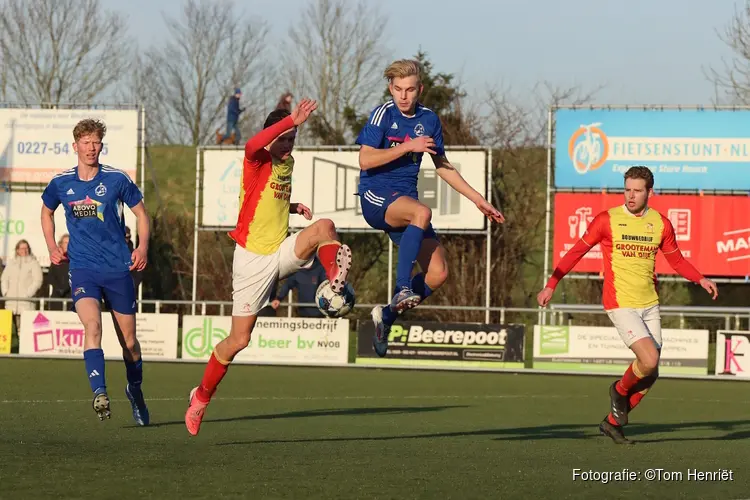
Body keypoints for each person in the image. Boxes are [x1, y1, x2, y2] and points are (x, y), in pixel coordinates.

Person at [184, 98, 354, 436]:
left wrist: (292, 207)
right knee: (239, 340)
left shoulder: (287, 163)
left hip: (280, 248)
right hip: (251, 260)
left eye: (292, 139)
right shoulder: (257, 158)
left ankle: (335, 278)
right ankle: (201, 397)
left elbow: (267, 201)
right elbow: (250, 145)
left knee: (325, 227)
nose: (288, 145)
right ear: (271, 137)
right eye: (283, 138)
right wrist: (291, 119)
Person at [536, 166, 719, 445]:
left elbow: (677, 260)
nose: (630, 196)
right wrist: (552, 283)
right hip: (620, 302)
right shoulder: (606, 220)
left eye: (636, 190)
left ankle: (611, 423)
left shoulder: (660, 224)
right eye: (627, 189)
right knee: (649, 360)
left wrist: (701, 278)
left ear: (649, 192)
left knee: (650, 373)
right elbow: (576, 251)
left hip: (650, 304)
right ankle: (618, 391)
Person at [355, 59, 504, 357]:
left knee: (438, 273)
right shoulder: (382, 114)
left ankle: (386, 316)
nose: (403, 96)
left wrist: (478, 199)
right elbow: (365, 160)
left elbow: (443, 166)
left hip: (405, 201)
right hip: (376, 196)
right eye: (397, 89)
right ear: (390, 88)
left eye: (410, 89)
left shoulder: (430, 120)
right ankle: (401, 288)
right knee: (422, 212)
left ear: (420, 89)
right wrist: (407, 147)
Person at [40, 118, 151, 425]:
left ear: (102, 146)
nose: (91, 148)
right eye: (86, 143)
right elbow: (46, 212)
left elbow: (142, 214)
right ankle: (99, 392)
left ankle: (135, 391)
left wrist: (141, 248)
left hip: (117, 268)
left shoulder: (116, 179)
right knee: (93, 327)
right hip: (83, 267)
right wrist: (51, 245)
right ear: (75, 146)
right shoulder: (61, 182)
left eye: (96, 143)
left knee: (129, 342)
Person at [1, 239, 43, 331]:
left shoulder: (33, 263)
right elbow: (4, 278)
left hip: (26, 303)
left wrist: (28, 294)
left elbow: (38, 281)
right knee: (11, 330)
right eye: (22, 248)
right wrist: (5, 293)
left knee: (24, 330)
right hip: (11, 302)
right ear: (17, 250)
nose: (24, 250)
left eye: (26, 248)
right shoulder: (11, 263)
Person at [47, 234, 71, 310]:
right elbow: (51, 277)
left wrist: (66, 288)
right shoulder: (56, 259)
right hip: (57, 296)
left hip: (71, 296)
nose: (68, 245)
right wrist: (58, 289)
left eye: (69, 242)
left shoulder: (75, 260)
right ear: (61, 244)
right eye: (65, 242)